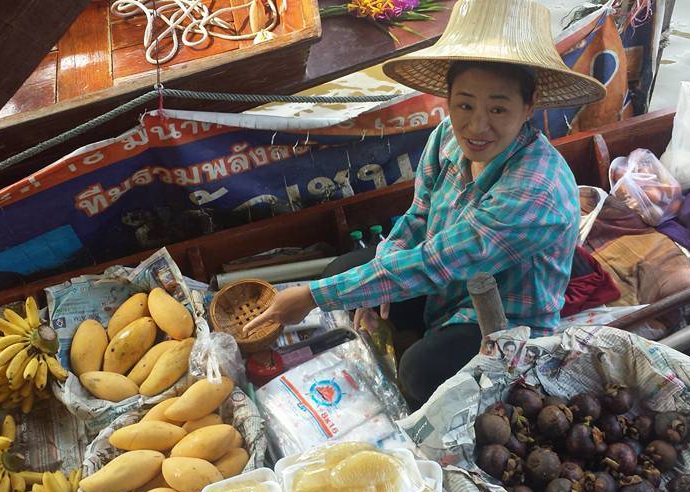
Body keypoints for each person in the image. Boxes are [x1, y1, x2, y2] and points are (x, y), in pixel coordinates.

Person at [243, 0, 605, 410]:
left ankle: (423, 344)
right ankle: (410, 326)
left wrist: (313, 296)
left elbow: (437, 263)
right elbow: (418, 218)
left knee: (417, 371)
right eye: (464, 104)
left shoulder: (536, 191)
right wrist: (380, 273)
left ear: (529, 106)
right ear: (448, 98)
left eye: (499, 109)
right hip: (442, 287)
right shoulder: (447, 137)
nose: (476, 126)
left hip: (504, 321)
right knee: (343, 271)